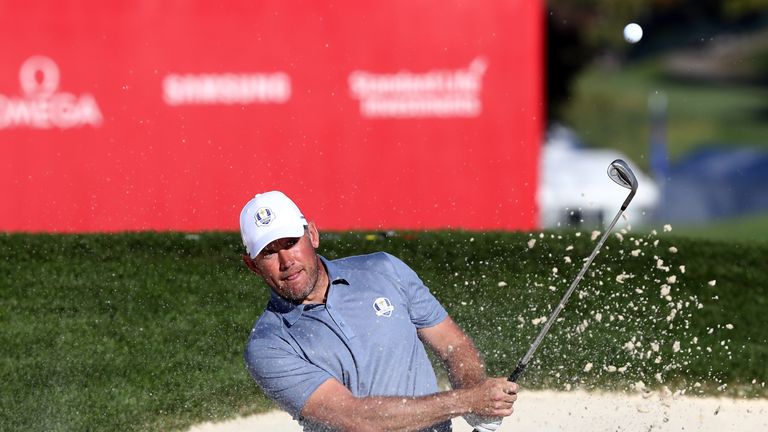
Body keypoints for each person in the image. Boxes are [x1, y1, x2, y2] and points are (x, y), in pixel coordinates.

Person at [240, 191, 518, 432]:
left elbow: (453, 344)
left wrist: (474, 390)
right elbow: (357, 420)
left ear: (312, 235)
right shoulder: (269, 346)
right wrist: (468, 400)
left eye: (291, 242)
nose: (287, 261)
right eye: (268, 252)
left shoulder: (384, 269)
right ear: (252, 266)